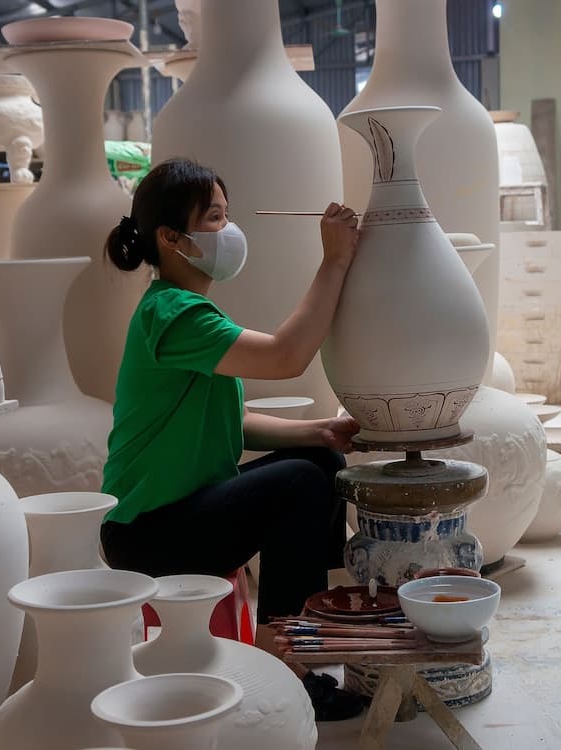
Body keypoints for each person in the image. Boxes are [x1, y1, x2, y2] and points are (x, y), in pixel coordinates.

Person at [100, 158, 363, 719]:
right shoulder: (173, 314)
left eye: (226, 214)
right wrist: (335, 261)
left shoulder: (185, 310)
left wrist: (320, 431)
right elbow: (287, 357)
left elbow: (231, 422)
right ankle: (283, 659)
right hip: (148, 533)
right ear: (171, 238)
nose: (229, 229)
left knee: (319, 462)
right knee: (299, 483)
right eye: (215, 218)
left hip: (181, 510)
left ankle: (306, 622)